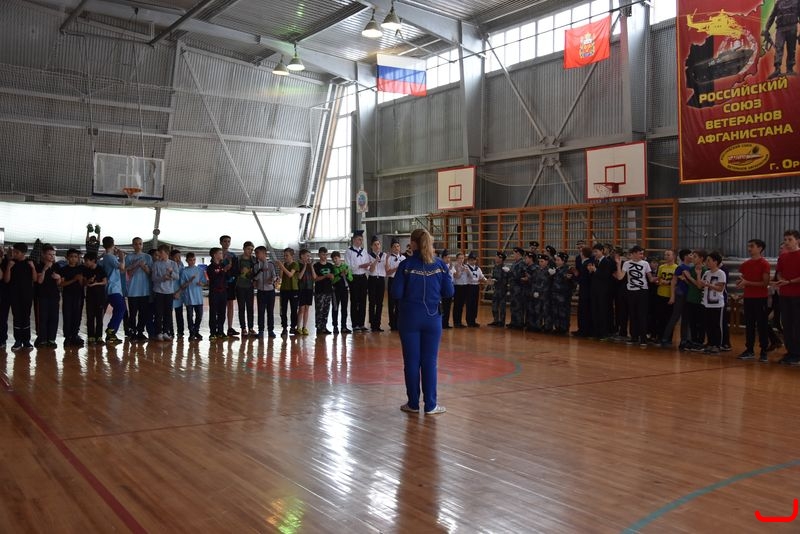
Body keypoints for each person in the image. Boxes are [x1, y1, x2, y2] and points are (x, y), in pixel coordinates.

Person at [391, 228, 453, 415]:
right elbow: (449, 292)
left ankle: (413, 403)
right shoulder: (440, 265)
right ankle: (431, 405)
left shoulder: (406, 265)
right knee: (430, 361)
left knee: (411, 362)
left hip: (409, 318)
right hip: (433, 318)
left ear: (412, 243)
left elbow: (396, 293)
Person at [736, 239, 771, 362]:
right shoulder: (745, 264)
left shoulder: (764, 264)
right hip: (748, 298)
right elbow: (743, 280)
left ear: (760, 248)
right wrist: (740, 283)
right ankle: (749, 349)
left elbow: (765, 283)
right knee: (749, 324)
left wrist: (747, 282)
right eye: (748, 246)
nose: (749, 248)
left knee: (762, 325)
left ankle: (764, 351)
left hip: (760, 298)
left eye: (752, 246)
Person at [615, 245, 654, 347]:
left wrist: (658, 279)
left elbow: (650, 278)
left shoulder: (645, 263)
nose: (642, 255)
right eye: (640, 253)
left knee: (642, 315)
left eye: (642, 253)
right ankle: (634, 337)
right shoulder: (627, 263)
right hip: (631, 292)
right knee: (632, 314)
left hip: (642, 291)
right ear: (634, 253)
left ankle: (643, 338)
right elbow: (620, 277)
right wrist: (618, 265)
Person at [774, 229, 800, 365]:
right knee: (787, 324)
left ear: (797, 241)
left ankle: (797, 354)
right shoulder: (783, 257)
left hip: (797, 295)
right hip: (784, 295)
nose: (787, 242)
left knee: (797, 325)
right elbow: (779, 272)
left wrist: (789, 281)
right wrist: (781, 280)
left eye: (790, 239)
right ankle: (791, 351)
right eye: (785, 240)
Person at [661, 249, 693, 349]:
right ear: (685, 256)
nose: (692, 256)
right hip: (680, 294)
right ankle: (665, 339)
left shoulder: (691, 267)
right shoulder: (680, 267)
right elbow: (673, 282)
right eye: (690, 255)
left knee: (686, 319)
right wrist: (672, 296)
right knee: (675, 317)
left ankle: (683, 341)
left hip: (688, 296)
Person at [99, 236, 126, 345]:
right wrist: (122, 257)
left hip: (111, 288)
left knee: (118, 309)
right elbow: (122, 267)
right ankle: (111, 330)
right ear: (113, 244)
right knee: (121, 308)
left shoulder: (107, 257)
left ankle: (111, 334)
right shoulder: (110, 257)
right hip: (113, 288)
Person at [125, 237, 152, 342]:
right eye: (136, 244)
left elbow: (150, 273)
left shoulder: (147, 257)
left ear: (142, 245)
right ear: (133, 245)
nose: (138, 246)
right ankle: (132, 332)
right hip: (133, 290)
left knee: (143, 313)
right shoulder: (129, 257)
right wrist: (136, 265)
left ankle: (140, 332)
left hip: (144, 290)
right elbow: (128, 273)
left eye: (140, 243)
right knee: (132, 313)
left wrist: (144, 267)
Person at [699, 252, 727, 354]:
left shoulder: (721, 273)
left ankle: (717, 345)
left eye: (709, 260)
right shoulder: (707, 273)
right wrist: (701, 280)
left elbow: (720, 289)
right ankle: (710, 343)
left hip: (717, 304)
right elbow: (701, 285)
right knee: (708, 324)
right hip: (706, 303)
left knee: (716, 325)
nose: (707, 262)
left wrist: (709, 285)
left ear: (715, 262)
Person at [764, 0, 799, 78]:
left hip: (792, 27)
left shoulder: (797, 1)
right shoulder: (778, 3)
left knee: (791, 49)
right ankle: (777, 69)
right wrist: (766, 29)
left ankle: (790, 69)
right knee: (779, 47)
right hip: (780, 28)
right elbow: (772, 16)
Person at [34, 244, 61, 348]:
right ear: (43, 254)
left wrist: (58, 277)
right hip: (42, 296)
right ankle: (42, 339)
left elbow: (59, 283)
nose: (52, 256)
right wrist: (44, 270)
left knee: (54, 318)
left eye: (53, 254)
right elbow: (39, 281)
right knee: (43, 318)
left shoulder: (56, 266)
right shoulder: (39, 266)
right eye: (50, 254)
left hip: (54, 296)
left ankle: (51, 339)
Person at [151, 244, 178, 341]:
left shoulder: (173, 264)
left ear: (166, 253)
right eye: (159, 252)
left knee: (168, 313)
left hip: (169, 292)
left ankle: (166, 332)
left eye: (161, 252)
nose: (159, 254)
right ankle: (158, 332)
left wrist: (171, 272)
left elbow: (177, 277)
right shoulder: (156, 264)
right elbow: (153, 278)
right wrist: (163, 278)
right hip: (158, 291)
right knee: (158, 313)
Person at [345, 230, 371, 332]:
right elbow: (348, 267)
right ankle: (355, 324)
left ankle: (361, 323)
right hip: (354, 278)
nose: (360, 241)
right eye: (359, 239)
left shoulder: (364, 251)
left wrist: (367, 266)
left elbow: (367, 264)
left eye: (361, 240)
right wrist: (360, 266)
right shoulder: (349, 251)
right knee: (355, 301)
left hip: (363, 277)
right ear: (354, 240)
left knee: (363, 301)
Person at [588, 244, 615, 339]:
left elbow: (606, 276)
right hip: (594, 290)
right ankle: (596, 332)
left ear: (602, 251)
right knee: (595, 311)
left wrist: (595, 270)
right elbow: (593, 277)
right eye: (594, 252)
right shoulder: (594, 261)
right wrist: (590, 271)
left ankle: (604, 333)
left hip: (603, 291)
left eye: (596, 251)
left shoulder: (607, 262)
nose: (595, 253)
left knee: (603, 311)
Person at [59, 248, 85, 347]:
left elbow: (83, 283)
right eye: (71, 257)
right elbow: (61, 284)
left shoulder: (81, 269)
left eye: (75, 257)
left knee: (77, 316)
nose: (73, 259)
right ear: (67, 258)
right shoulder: (64, 269)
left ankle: (75, 335)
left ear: (78, 258)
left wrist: (82, 280)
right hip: (68, 296)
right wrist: (74, 280)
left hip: (79, 296)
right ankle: (67, 337)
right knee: (67, 316)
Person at [683, 250, 708, 351]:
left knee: (700, 323)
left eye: (695, 256)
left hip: (700, 300)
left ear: (701, 258)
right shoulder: (691, 268)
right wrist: (685, 279)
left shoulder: (705, 270)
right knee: (692, 322)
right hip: (691, 298)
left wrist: (689, 277)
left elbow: (699, 286)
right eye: (692, 256)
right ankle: (693, 341)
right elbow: (692, 285)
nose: (692, 258)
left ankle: (700, 342)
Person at [179, 252, 205, 342]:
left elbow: (204, 282)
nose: (192, 261)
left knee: (199, 315)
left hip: (198, 297)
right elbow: (182, 285)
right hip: (189, 297)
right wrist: (189, 281)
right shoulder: (184, 271)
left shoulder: (200, 270)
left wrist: (201, 283)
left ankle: (196, 330)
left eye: (194, 260)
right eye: (190, 260)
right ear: (187, 260)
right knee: (190, 316)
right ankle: (191, 332)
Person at [82, 252, 107, 345]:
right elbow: (84, 283)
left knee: (99, 318)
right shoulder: (86, 270)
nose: (85, 262)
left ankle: (99, 337)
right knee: (90, 317)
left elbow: (105, 282)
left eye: (87, 261)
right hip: (90, 297)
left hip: (100, 297)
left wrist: (96, 283)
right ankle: (91, 337)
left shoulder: (100, 269)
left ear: (93, 261)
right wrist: (89, 281)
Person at [253, 246, 277, 339]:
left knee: (270, 311)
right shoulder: (256, 266)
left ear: (264, 253)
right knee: (261, 311)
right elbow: (255, 278)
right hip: (261, 292)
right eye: (256, 253)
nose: (257, 255)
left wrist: (272, 279)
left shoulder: (271, 265)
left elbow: (274, 276)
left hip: (270, 291)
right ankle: (261, 330)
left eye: (258, 253)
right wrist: (261, 271)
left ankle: (271, 330)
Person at [550, 252, 577, 335]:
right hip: (555, 295)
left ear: (563, 261)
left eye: (558, 260)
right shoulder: (556, 269)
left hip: (564, 296)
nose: (556, 262)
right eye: (556, 260)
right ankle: (557, 327)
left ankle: (564, 329)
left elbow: (573, 283)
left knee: (563, 312)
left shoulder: (569, 269)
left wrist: (568, 292)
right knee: (555, 312)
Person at [276, 247, 300, 336]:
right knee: (283, 310)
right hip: (284, 289)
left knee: (294, 309)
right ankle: (284, 327)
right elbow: (281, 276)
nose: (285, 257)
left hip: (293, 290)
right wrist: (281, 268)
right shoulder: (284, 264)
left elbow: (290, 274)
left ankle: (293, 327)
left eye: (287, 255)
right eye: (284, 255)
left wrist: (282, 267)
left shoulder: (295, 264)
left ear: (292, 256)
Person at [654, 250, 677, 341]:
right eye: (665, 255)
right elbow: (658, 279)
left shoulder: (677, 267)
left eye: (668, 255)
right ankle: (659, 336)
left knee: (669, 318)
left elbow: (677, 282)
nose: (666, 256)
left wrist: (668, 282)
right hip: (660, 294)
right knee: (660, 317)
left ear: (674, 256)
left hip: (670, 295)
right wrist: (659, 281)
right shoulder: (661, 267)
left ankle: (668, 338)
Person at [235, 241, 256, 336]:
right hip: (240, 286)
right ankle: (243, 328)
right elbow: (234, 271)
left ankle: (251, 327)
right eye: (248, 249)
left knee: (250, 307)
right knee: (241, 307)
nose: (250, 251)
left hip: (250, 286)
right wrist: (240, 271)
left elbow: (256, 272)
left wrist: (253, 276)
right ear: (244, 249)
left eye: (251, 249)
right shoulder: (238, 259)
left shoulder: (253, 259)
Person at [206, 247, 228, 340]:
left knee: (222, 313)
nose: (222, 255)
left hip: (223, 293)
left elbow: (226, 278)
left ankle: (220, 331)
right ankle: (212, 332)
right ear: (215, 255)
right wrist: (222, 271)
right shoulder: (210, 267)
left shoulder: (223, 265)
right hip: (214, 293)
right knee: (213, 313)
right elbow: (214, 279)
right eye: (220, 253)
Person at [219, 235, 239, 337]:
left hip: (230, 282)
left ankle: (230, 327)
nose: (227, 243)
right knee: (221, 305)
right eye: (225, 241)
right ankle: (220, 328)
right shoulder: (218, 254)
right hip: (220, 283)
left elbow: (236, 269)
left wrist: (232, 278)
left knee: (230, 304)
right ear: (221, 242)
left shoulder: (233, 255)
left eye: (228, 241)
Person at [367, 236, 387, 332]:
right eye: (375, 244)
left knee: (380, 303)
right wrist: (375, 261)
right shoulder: (368, 256)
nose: (377, 246)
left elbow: (386, 268)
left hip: (381, 280)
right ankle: (372, 323)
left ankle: (378, 323)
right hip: (372, 279)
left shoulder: (384, 255)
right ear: (371, 246)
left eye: (378, 244)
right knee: (372, 302)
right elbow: (371, 270)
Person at [527, 254, 551, 333]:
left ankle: (547, 327)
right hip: (536, 295)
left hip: (545, 295)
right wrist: (534, 291)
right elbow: (533, 281)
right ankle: (537, 326)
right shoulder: (536, 270)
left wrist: (540, 291)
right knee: (537, 311)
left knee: (546, 312)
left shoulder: (549, 271)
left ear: (547, 262)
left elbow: (547, 284)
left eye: (542, 261)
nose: (540, 263)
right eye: (539, 261)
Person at [313, 247, 334, 336]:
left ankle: (324, 326)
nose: (324, 256)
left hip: (328, 290)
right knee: (319, 310)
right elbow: (315, 279)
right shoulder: (316, 266)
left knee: (326, 309)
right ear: (319, 255)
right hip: (319, 291)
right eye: (322, 254)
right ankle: (318, 327)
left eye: (325, 254)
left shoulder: (330, 265)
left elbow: (333, 276)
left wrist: (331, 276)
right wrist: (325, 276)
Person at [385, 238, 405, 332]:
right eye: (394, 246)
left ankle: (399, 322)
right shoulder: (389, 258)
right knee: (391, 303)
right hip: (392, 280)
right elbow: (388, 272)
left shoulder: (403, 258)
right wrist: (397, 268)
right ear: (391, 248)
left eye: (398, 246)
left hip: (401, 281)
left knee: (399, 303)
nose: (396, 248)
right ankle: (392, 323)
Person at [330, 251, 352, 334]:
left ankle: (344, 326)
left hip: (345, 290)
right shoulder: (332, 268)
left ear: (339, 258)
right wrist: (340, 275)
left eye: (336, 258)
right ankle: (335, 326)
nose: (335, 260)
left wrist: (347, 274)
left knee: (344, 309)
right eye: (333, 259)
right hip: (335, 291)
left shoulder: (345, 266)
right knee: (335, 308)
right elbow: (332, 280)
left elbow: (351, 278)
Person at [573, 246, 593, 337]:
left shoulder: (586, 263)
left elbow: (585, 279)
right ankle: (582, 329)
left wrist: (576, 275)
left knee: (584, 310)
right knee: (583, 310)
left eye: (581, 252)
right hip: (585, 290)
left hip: (585, 290)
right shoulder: (585, 263)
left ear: (583, 254)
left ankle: (583, 330)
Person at [464, 252, 486, 327]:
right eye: (471, 260)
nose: (472, 261)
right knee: (469, 304)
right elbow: (470, 277)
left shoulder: (478, 268)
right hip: (469, 287)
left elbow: (482, 276)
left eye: (474, 260)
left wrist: (486, 280)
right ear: (468, 260)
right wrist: (478, 280)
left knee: (475, 304)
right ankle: (469, 321)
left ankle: (473, 320)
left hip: (476, 287)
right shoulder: (466, 267)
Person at [507, 247, 527, 329]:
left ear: (518, 254)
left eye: (514, 253)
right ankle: (513, 322)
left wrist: (509, 272)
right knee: (513, 306)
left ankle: (519, 323)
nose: (513, 255)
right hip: (513, 288)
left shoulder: (522, 263)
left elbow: (519, 275)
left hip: (519, 288)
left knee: (518, 306)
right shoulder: (515, 263)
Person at [489, 251, 510, 327]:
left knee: (502, 306)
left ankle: (501, 321)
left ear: (501, 259)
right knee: (494, 305)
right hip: (496, 289)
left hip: (502, 289)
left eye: (497, 257)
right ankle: (495, 320)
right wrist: (491, 280)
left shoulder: (504, 268)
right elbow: (493, 276)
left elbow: (505, 280)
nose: (495, 258)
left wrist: (496, 281)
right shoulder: (495, 266)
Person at [296, 248, 314, 336]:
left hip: (309, 289)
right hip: (301, 289)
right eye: (307, 256)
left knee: (307, 308)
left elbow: (314, 276)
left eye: (309, 256)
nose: (308, 258)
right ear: (302, 256)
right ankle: (298, 327)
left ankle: (304, 327)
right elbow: (299, 277)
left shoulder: (310, 266)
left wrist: (311, 266)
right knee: (301, 308)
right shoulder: (298, 265)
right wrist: (305, 266)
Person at [169, 249, 185, 338]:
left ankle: (180, 332)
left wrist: (179, 292)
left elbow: (183, 281)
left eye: (179, 257)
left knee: (179, 313)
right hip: (169, 292)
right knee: (169, 314)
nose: (178, 259)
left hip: (179, 292)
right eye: (176, 257)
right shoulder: (168, 266)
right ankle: (170, 332)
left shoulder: (182, 266)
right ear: (171, 257)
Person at [451, 252, 469, 327]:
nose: (461, 260)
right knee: (457, 305)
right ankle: (456, 322)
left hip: (464, 286)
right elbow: (456, 276)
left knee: (461, 305)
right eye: (459, 258)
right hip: (457, 287)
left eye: (462, 258)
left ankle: (459, 321)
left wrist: (467, 271)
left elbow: (469, 276)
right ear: (457, 259)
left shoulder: (465, 266)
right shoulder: (454, 266)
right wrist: (461, 271)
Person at [439, 250, 454, 329]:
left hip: (449, 288)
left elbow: (453, 276)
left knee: (448, 307)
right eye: (447, 257)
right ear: (443, 258)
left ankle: (446, 323)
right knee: (442, 307)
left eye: (449, 258)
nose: (448, 259)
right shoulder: (440, 265)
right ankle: (441, 323)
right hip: (442, 289)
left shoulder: (450, 266)